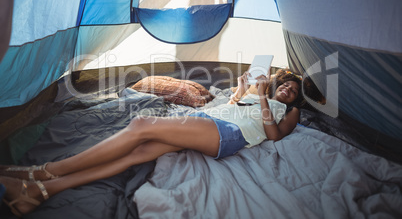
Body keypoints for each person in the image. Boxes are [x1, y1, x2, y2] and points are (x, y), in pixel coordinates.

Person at [0, 68, 304, 216]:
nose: (288, 90)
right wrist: (241, 89)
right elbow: (233, 106)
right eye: (286, 85)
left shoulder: (288, 111)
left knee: (142, 124)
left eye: (292, 90)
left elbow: (274, 134)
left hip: (228, 135)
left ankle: (44, 171)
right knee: (136, 154)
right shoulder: (255, 95)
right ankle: (41, 191)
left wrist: (263, 97)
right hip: (212, 120)